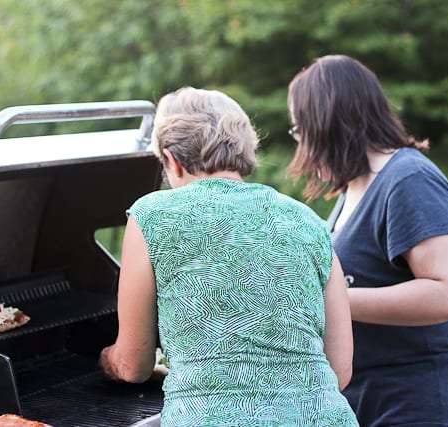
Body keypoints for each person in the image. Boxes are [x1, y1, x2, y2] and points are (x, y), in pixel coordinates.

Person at [98, 86, 359, 426]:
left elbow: (133, 365)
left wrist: (107, 360)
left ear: (172, 160)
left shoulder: (153, 214)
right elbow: (339, 370)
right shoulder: (307, 220)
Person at [286, 54, 448, 427]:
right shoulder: (351, 191)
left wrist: (332, 299)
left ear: (327, 124)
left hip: (432, 402)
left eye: (299, 130)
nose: (300, 143)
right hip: (380, 401)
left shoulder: (409, 180)